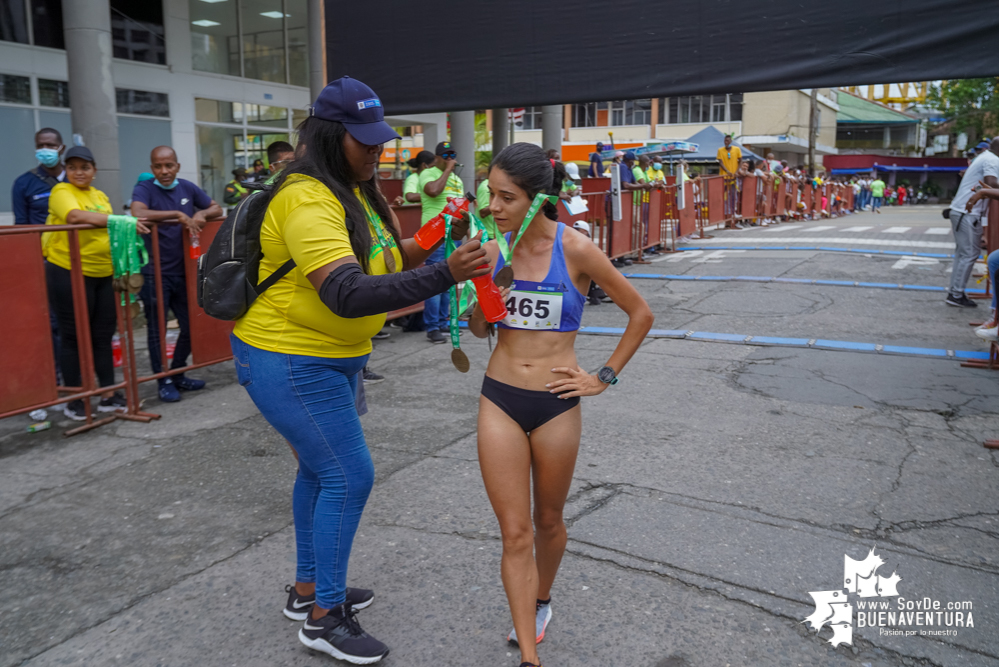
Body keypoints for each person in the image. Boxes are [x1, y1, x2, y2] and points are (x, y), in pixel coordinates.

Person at [230, 77, 489, 664]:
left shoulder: (353, 189)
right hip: (291, 357)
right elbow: (346, 292)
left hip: (331, 357)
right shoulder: (306, 196)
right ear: (329, 135)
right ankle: (324, 618)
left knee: (321, 475)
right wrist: (448, 273)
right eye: (364, 142)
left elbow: (383, 261)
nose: (376, 153)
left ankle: (307, 591)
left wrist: (433, 238)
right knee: (349, 476)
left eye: (380, 142)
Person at [468, 144, 654, 667]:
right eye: (491, 195)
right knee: (515, 531)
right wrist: (480, 292)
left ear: (537, 199)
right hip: (499, 397)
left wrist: (603, 378)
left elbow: (641, 314)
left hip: (555, 402)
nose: (495, 207)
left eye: (507, 197)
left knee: (548, 520)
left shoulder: (576, 249)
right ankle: (530, 656)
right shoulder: (491, 248)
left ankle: (542, 600)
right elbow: (479, 328)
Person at [45, 146, 149, 420]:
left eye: (85, 167)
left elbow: (107, 227)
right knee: (72, 336)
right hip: (68, 270)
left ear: (94, 171)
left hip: (104, 273)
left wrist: (119, 225)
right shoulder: (61, 192)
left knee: (102, 335)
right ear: (66, 170)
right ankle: (76, 397)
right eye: (73, 167)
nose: (79, 172)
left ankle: (107, 394)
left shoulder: (99, 195)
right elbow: (75, 217)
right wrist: (120, 220)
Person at [130, 145, 222, 402]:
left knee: (192, 324)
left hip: (184, 272)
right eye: (158, 166)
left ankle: (179, 370)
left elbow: (216, 208)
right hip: (154, 272)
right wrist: (178, 215)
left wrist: (201, 212)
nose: (164, 171)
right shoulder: (145, 188)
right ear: (152, 169)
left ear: (177, 166)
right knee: (157, 329)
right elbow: (137, 212)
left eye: (169, 165)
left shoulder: (187, 187)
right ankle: (164, 379)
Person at [418, 140, 465, 343]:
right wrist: (447, 170)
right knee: (434, 281)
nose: (449, 159)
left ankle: (444, 321)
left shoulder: (456, 179)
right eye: (445, 156)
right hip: (435, 234)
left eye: (452, 155)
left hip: (454, 235)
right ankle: (432, 327)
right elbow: (434, 191)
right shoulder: (427, 173)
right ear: (436, 158)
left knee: (450, 279)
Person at [946, 138, 999, 308]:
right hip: (966, 212)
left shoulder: (985, 157)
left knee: (963, 254)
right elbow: (991, 184)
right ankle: (956, 294)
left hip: (964, 212)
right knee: (968, 254)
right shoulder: (992, 160)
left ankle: (955, 292)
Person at [12, 128, 65, 225]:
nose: (45, 149)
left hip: (75, 239)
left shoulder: (76, 178)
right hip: (41, 239)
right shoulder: (23, 183)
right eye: (40, 146)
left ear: (62, 149)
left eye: (50, 145)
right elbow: (21, 223)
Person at [716, 134, 741, 220]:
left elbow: (740, 160)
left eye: (727, 141)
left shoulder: (737, 149)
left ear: (731, 141)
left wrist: (736, 172)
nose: (726, 142)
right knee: (724, 195)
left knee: (733, 195)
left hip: (733, 177)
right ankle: (725, 213)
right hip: (724, 177)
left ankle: (733, 212)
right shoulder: (720, 150)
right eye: (725, 141)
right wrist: (727, 171)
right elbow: (720, 162)